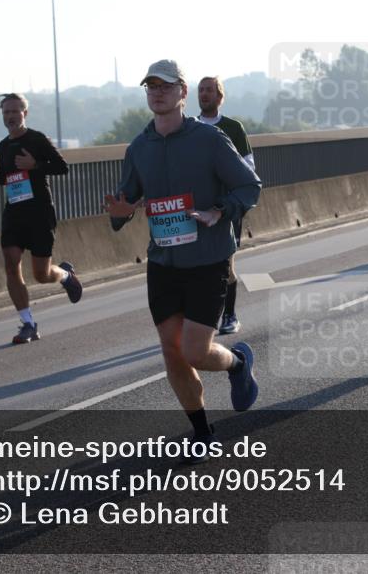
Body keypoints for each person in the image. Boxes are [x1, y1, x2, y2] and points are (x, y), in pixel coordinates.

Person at [104, 60, 262, 459]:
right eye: (150, 86)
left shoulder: (208, 140)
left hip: (208, 260)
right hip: (163, 264)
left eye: (165, 86)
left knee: (194, 350)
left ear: (182, 92)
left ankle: (238, 365)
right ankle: (201, 431)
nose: (156, 92)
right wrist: (119, 213)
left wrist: (220, 210)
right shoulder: (139, 147)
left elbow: (249, 185)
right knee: (172, 350)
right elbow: (124, 203)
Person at [0, 93, 83, 344]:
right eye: (6, 112)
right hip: (14, 212)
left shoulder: (37, 139)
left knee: (41, 274)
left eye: (16, 111)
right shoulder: (4, 145)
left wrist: (35, 164)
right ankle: (28, 323)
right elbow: (9, 177)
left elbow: (62, 167)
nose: (11, 116)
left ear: (25, 114)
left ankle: (66, 276)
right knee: (11, 262)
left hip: (39, 213)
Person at [197, 75, 255, 336]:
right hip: (196, 209)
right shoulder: (190, 128)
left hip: (226, 208)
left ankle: (230, 314)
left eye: (210, 90)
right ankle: (202, 316)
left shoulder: (233, 128)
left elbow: (249, 169)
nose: (205, 94)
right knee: (197, 266)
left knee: (225, 264)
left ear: (220, 96)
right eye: (201, 90)